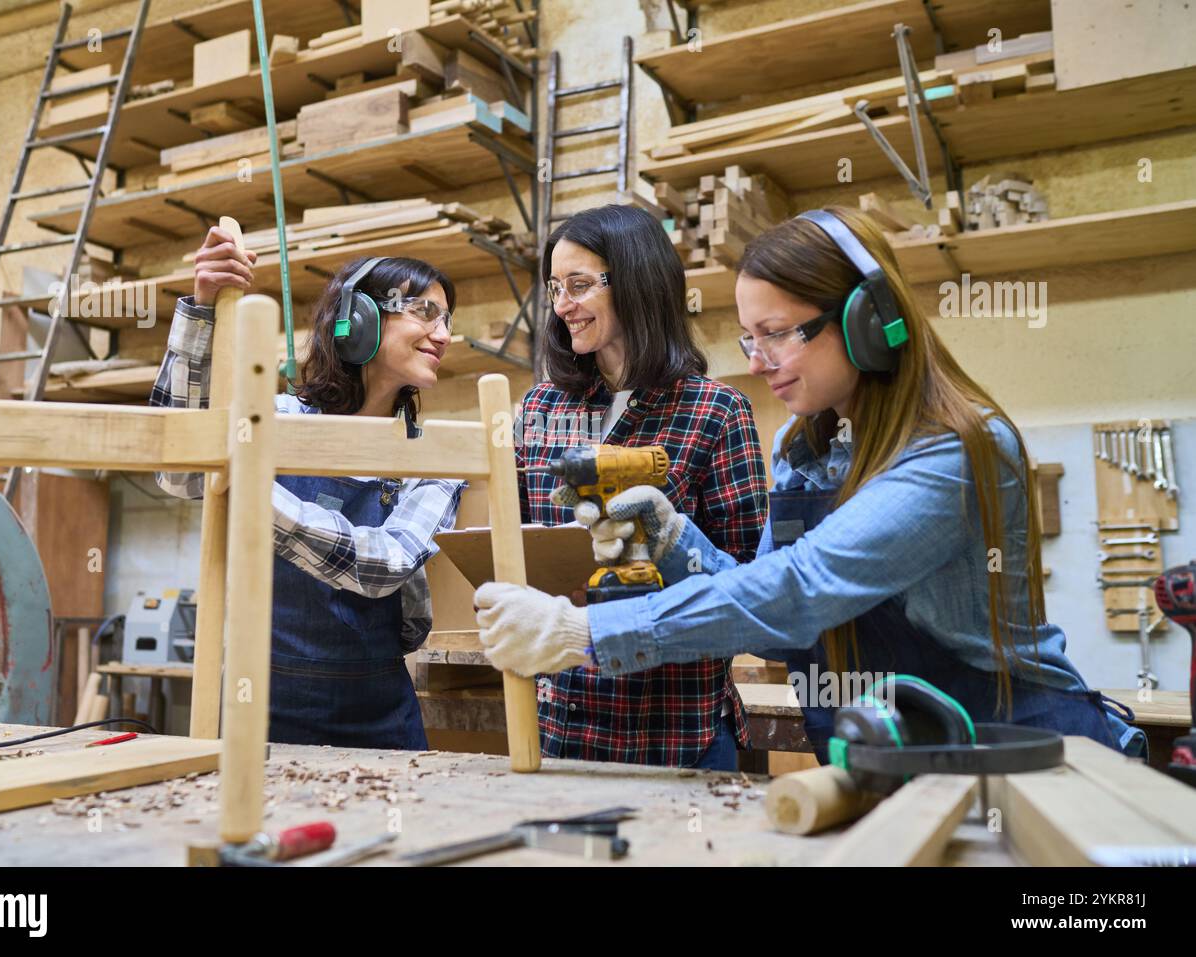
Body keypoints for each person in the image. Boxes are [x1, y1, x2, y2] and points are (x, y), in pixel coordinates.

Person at [477, 206, 1147, 761]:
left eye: (776, 334)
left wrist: (585, 631)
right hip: (888, 756)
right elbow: (778, 629)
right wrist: (674, 538)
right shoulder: (803, 450)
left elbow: (801, 590)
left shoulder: (957, 451)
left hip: (1024, 756)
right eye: (748, 338)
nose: (758, 360)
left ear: (867, 322)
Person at [152, 225, 463, 749]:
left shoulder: (429, 454)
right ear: (358, 319)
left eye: (448, 319)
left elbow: (382, 565)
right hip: (260, 702)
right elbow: (178, 472)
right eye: (425, 312)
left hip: (379, 711)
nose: (444, 334)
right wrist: (202, 313)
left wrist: (251, 492)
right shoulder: (274, 420)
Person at [516, 204, 769, 771]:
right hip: (564, 722)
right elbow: (518, 546)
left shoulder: (716, 411)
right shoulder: (539, 409)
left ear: (635, 281)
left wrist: (662, 550)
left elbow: (751, 580)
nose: (561, 306)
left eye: (579, 285)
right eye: (555, 287)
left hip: (678, 725)